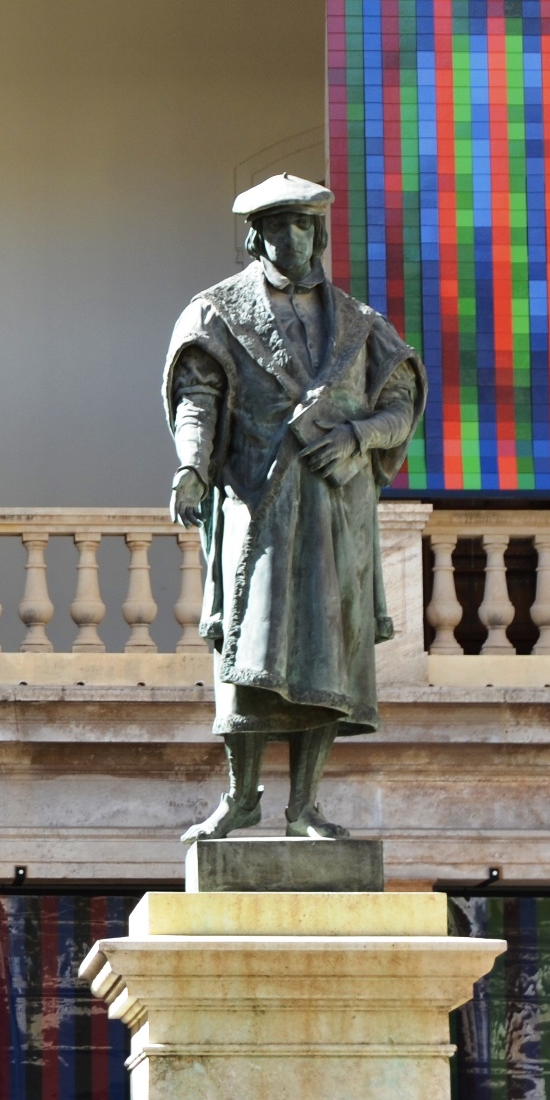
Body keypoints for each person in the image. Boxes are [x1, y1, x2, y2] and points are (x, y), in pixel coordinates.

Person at [164, 174, 426, 842]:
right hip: (258, 503)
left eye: (304, 226)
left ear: (320, 235)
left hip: (335, 510)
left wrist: (358, 435)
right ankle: (240, 796)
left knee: (324, 653)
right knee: (248, 651)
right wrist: (193, 467)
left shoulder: (359, 324)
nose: (293, 239)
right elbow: (198, 396)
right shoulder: (218, 312)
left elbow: (400, 403)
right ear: (257, 237)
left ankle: (305, 806)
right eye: (279, 227)